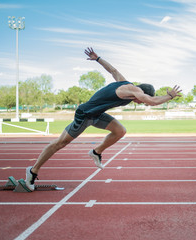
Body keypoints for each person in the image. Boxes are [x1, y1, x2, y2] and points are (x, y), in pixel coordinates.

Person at [24, 47, 182, 191]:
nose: (142, 102)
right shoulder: (135, 91)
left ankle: (96, 151)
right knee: (60, 143)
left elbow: (113, 70)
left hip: (97, 114)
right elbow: (153, 102)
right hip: (85, 114)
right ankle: (33, 171)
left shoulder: (125, 82)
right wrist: (169, 96)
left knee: (120, 131)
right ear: (143, 93)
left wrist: (98, 59)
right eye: (143, 99)